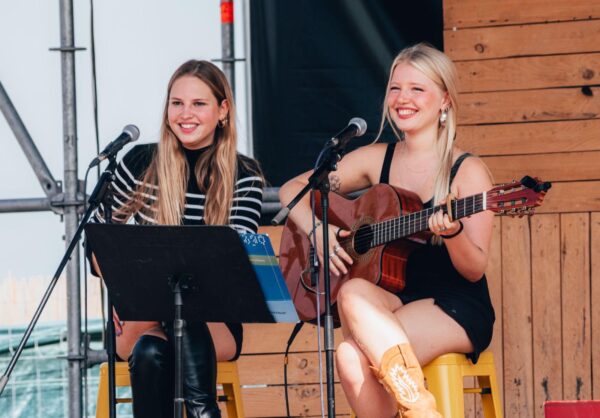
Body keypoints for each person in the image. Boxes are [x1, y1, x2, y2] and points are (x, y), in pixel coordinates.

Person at [279, 43, 495, 418]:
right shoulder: (377, 159)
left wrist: (453, 233)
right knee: (352, 296)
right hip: (394, 299)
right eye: (395, 88)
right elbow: (291, 190)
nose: (402, 98)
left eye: (417, 89)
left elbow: (474, 268)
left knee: (350, 353)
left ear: (444, 100)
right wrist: (317, 231)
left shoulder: (466, 171)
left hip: (453, 303)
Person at [89, 60, 264, 418]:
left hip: (214, 324)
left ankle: (201, 410)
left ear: (223, 110)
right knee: (167, 297)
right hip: (138, 318)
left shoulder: (243, 175)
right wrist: (120, 284)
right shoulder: (140, 161)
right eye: (177, 103)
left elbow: (235, 260)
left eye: (199, 104)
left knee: (158, 341)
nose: (186, 114)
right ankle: (204, 412)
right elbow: (98, 241)